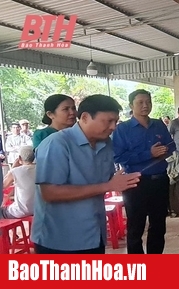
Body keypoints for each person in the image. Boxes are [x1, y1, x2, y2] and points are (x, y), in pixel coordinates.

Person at [32, 94, 141, 254]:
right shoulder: (57, 143)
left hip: (94, 233)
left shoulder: (106, 143)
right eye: (108, 121)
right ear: (84, 117)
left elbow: (104, 180)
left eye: (115, 122)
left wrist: (123, 181)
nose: (113, 127)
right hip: (60, 239)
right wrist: (108, 185)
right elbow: (50, 192)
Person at [113, 89, 175, 254]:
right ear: (131, 105)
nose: (145, 105)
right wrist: (149, 154)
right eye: (140, 102)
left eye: (148, 102)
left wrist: (165, 151)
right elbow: (118, 156)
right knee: (135, 226)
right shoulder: (123, 129)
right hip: (135, 183)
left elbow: (171, 145)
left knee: (158, 224)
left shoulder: (159, 124)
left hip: (160, 180)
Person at [1, 146, 35, 219]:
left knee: (2, 212)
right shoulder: (41, 168)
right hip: (39, 209)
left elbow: (3, 186)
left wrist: (13, 168)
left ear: (19, 158)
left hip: (22, 211)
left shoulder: (16, 171)